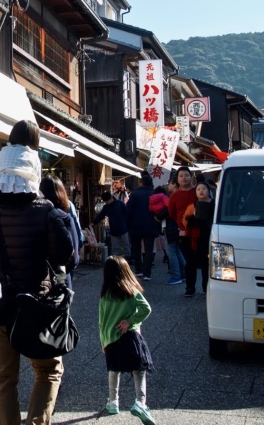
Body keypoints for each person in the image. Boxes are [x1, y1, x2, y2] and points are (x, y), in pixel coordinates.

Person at [0, 120, 74, 425]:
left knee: (3, 379)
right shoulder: (43, 207)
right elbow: (66, 257)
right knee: (48, 370)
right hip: (35, 305)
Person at [98, 256, 155, 425]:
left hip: (111, 339)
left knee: (114, 370)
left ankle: (113, 402)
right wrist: (130, 320)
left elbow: (101, 321)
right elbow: (146, 308)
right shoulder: (131, 291)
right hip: (131, 337)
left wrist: (104, 341)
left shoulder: (104, 295)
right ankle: (140, 402)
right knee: (139, 370)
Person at [39, 175, 81, 288]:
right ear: (61, 193)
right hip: (61, 280)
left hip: (37, 281)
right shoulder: (65, 217)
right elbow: (74, 259)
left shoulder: (32, 216)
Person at [168, 166, 199, 296]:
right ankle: (190, 288)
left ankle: (205, 286)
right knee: (189, 260)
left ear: (191, 177)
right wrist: (181, 223)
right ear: (178, 179)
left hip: (200, 230)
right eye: (181, 176)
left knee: (202, 259)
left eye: (186, 175)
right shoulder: (175, 195)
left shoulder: (197, 191)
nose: (184, 178)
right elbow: (172, 213)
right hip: (184, 232)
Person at [125, 174, 159, 280]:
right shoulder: (154, 194)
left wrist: (129, 223)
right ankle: (147, 273)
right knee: (149, 250)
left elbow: (128, 210)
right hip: (151, 225)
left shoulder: (135, 194)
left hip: (136, 225)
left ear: (141, 183)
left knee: (136, 248)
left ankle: (138, 270)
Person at [186, 180, 215, 295]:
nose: (201, 191)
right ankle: (190, 288)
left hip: (210, 235)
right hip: (195, 237)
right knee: (191, 263)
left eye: (203, 189)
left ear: (208, 191)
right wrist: (191, 220)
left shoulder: (214, 204)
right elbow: (185, 220)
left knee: (207, 264)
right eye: (198, 189)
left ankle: (206, 287)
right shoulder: (192, 206)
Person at [153, 184, 184, 285]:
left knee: (172, 252)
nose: (168, 186)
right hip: (175, 227)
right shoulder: (175, 196)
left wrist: (158, 216)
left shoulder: (171, 198)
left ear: (174, 185)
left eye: (170, 184)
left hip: (172, 228)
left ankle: (176, 276)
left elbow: (168, 210)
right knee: (177, 251)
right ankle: (183, 273)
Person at [92, 190, 130, 258]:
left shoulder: (120, 203)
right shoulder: (107, 207)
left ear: (111, 198)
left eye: (107, 201)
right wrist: (94, 222)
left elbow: (128, 213)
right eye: (106, 201)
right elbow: (101, 216)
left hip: (123, 228)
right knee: (116, 247)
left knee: (126, 245)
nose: (107, 202)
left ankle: (128, 258)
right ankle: (116, 260)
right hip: (114, 230)